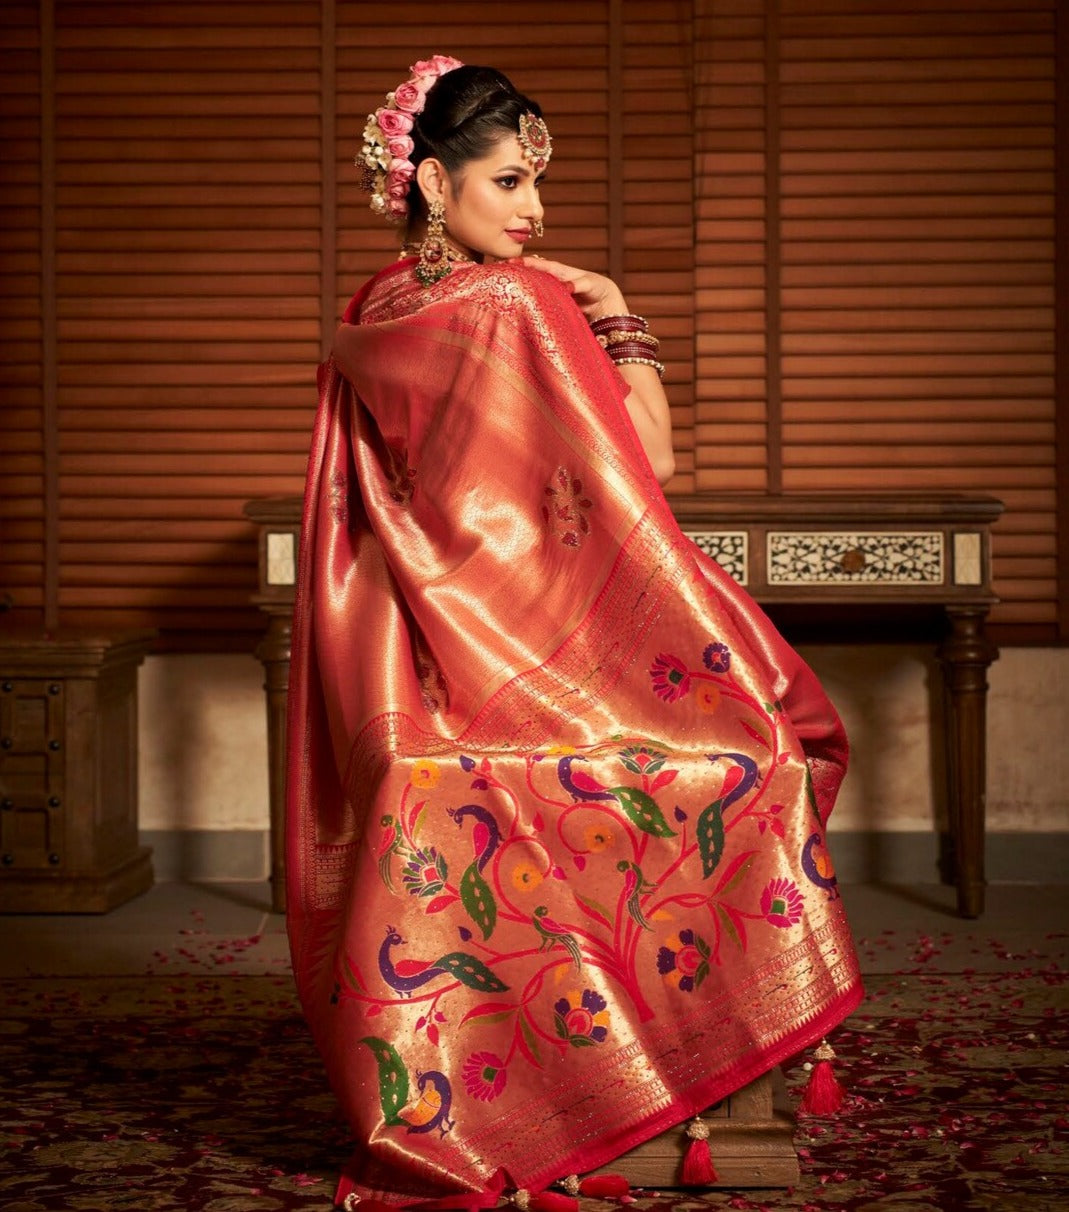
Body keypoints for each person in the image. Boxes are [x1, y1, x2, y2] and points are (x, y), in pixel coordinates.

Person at [286, 55, 862, 1209]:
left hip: (427, 667)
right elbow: (649, 462)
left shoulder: (374, 308)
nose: (534, 210)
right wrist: (618, 313)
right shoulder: (519, 303)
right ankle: (654, 1075)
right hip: (537, 648)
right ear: (434, 182)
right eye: (508, 182)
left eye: (536, 183)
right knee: (762, 748)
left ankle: (521, 1077)